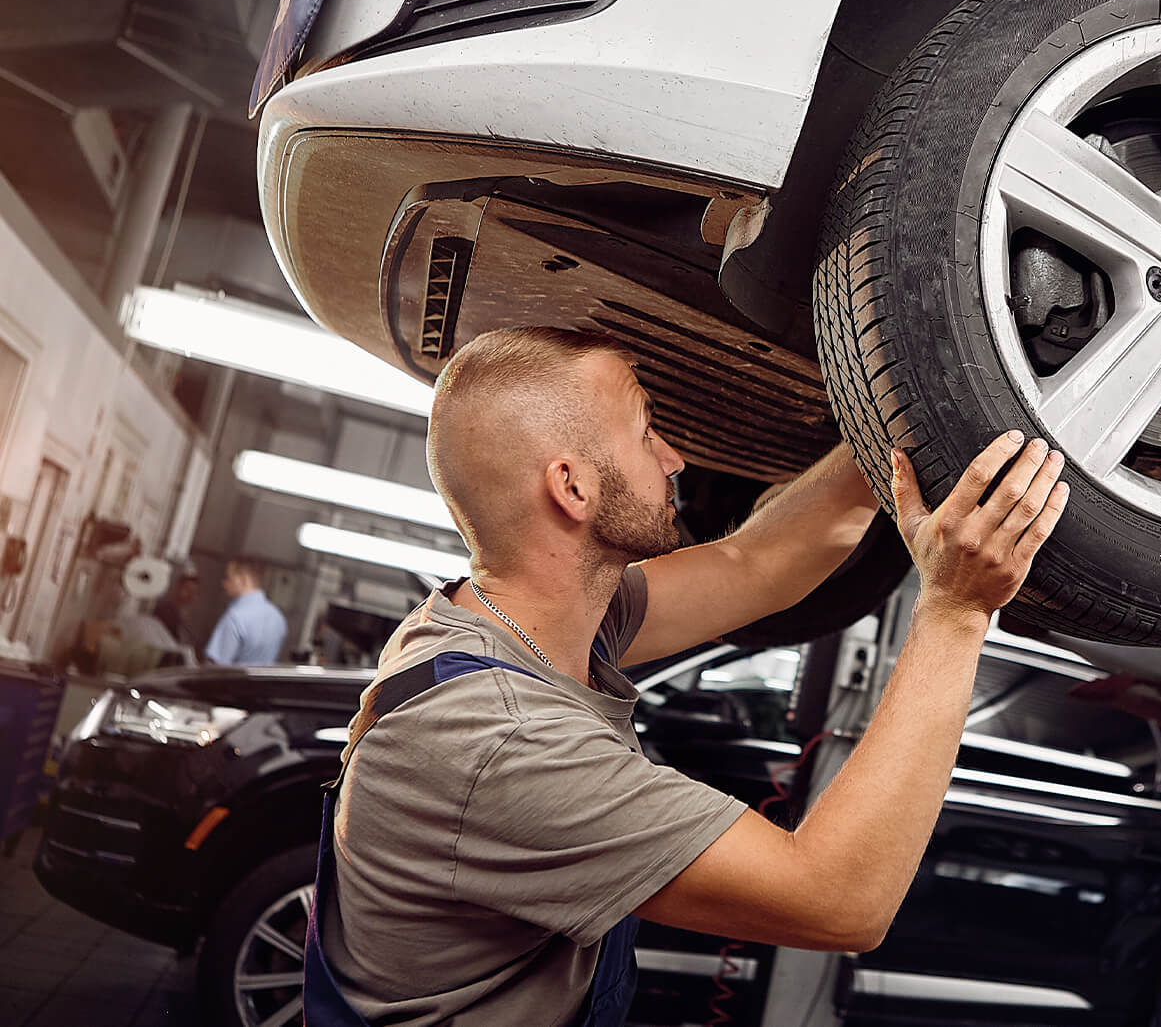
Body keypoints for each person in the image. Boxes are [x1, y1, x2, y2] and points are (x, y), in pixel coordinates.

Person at [308, 326, 1069, 1026]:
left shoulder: (518, 619)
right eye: (646, 433)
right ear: (571, 488)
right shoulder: (500, 744)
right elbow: (839, 903)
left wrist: (897, 415)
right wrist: (958, 609)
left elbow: (755, 563)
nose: (672, 457)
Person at [203, 556, 287, 666]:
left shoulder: (235, 617)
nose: (224, 583)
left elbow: (215, 667)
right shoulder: (278, 618)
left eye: (228, 578)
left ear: (244, 579)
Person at [152, 565, 200, 649]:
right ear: (177, 587)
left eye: (193, 592)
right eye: (187, 590)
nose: (190, 596)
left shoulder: (184, 615)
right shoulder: (165, 611)